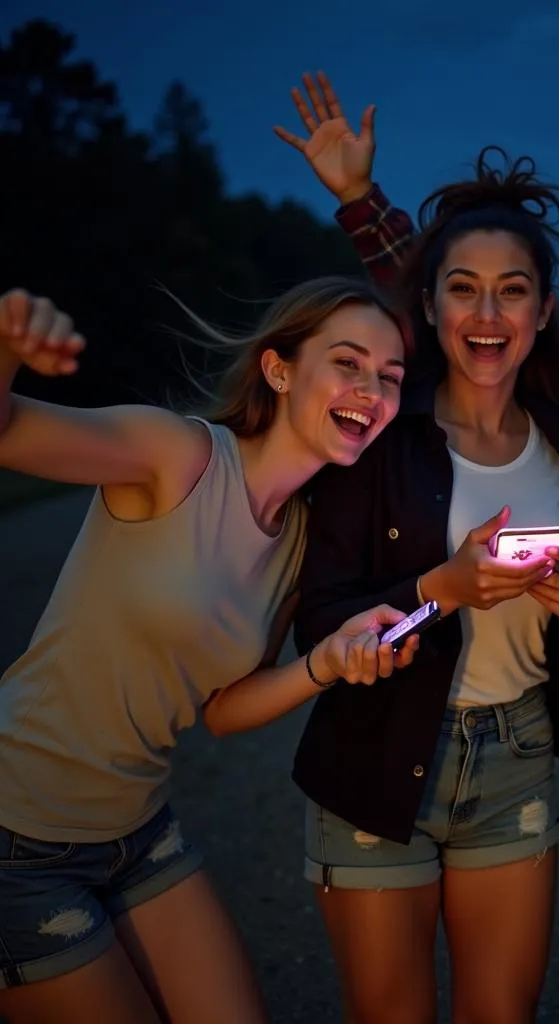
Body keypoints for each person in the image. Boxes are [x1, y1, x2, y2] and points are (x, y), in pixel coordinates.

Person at [276, 71, 559, 1023]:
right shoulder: (378, 440)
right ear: (427, 306)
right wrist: (442, 588)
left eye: (512, 292)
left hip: (515, 750)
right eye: (463, 290)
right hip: (378, 746)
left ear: (544, 311)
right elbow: (320, 617)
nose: (486, 314)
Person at [0, 276, 421, 1024]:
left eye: (390, 377)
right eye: (348, 363)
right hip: (17, 833)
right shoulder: (178, 454)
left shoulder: (297, 538)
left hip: (139, 832)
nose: (372, 390)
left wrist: (323, 663)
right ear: (279, 368)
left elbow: (223, 712)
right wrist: (5, 352)